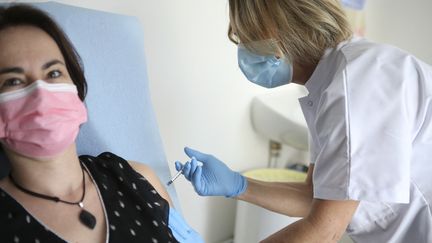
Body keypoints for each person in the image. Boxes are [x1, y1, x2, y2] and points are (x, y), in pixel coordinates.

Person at [176, 0, 432, 242]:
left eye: (244, 37)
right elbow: (313, 195)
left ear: (276, 34)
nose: (242, 47)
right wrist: (238, 184)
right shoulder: (329, 83)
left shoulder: (355, 84)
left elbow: (323, 231)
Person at [0, 4, 201, 243]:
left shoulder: (137, 179)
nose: (41, 92)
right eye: (13, 81)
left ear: (76, 90)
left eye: (53, 73)